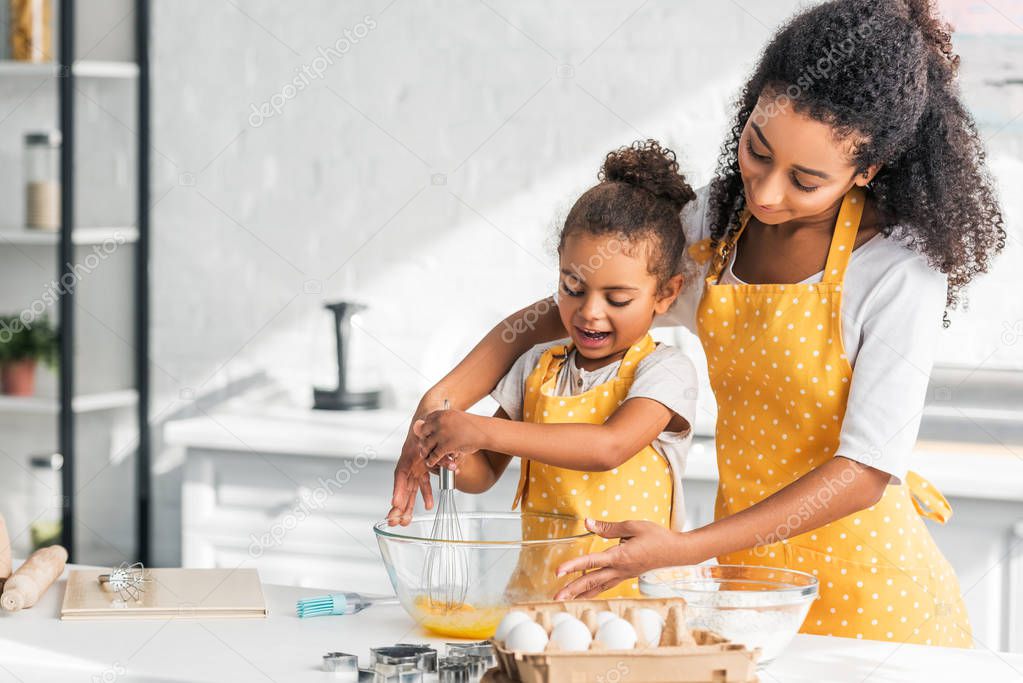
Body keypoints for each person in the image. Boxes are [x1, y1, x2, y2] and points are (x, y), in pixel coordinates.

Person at [390, 0, 1003, 646]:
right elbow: (569, 311)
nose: (766, 193)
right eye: (757, 151)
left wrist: (682, 547)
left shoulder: (897, 270)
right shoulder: (717, 224)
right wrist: (439, 404)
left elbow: (862, 473)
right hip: (746, 586)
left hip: (876, 604)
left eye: (805, 179)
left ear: (865, 171)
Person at [411, 141, 700, 597]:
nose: (590, 312)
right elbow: (482, 471)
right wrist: (447, 449)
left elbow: (609, 447)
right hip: (537, 596)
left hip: (633, 600)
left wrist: (480, 430)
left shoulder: (666, 370)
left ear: (665, 295)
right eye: (572, 287)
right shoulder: (537, 368)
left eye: (618, 299)